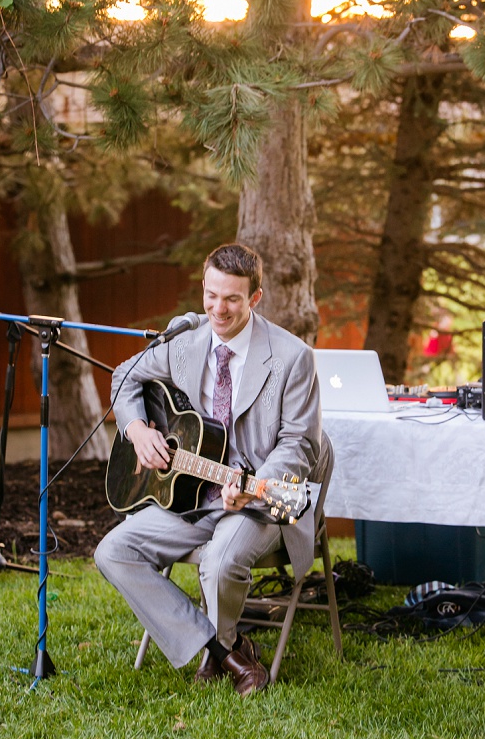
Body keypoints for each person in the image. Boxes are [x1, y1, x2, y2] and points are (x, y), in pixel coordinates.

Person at [95, 243, 322, 697]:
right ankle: (228, 650)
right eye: (212, 295)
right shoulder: (185, 343)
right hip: (190, 495)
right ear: (203, 288)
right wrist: (138, 428)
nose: (219, 309)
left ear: (255, 298)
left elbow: (302, 443)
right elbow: (124, 375)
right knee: (113, 551)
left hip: (257, 500)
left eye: (233, 299)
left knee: (218, 563)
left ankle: (217, 653)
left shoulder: (292, 357)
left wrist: (253, 487)